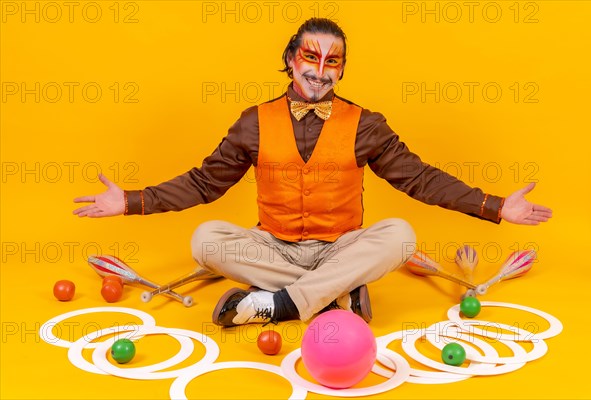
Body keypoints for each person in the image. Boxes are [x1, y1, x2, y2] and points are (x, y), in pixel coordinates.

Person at [73, 18, 552, 327]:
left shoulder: (367, 124)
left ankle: (277, 304)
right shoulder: (252, 122)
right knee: (206, 239)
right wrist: (130, 201)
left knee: (400, 235)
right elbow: (204, 183)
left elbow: (421, 178)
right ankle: (336, 296)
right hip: (273, 246)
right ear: (290, 59)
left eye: (333, 62)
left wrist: (495, 205)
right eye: (310, 57)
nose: (320, 71)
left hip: (342, 247)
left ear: (341, 70)